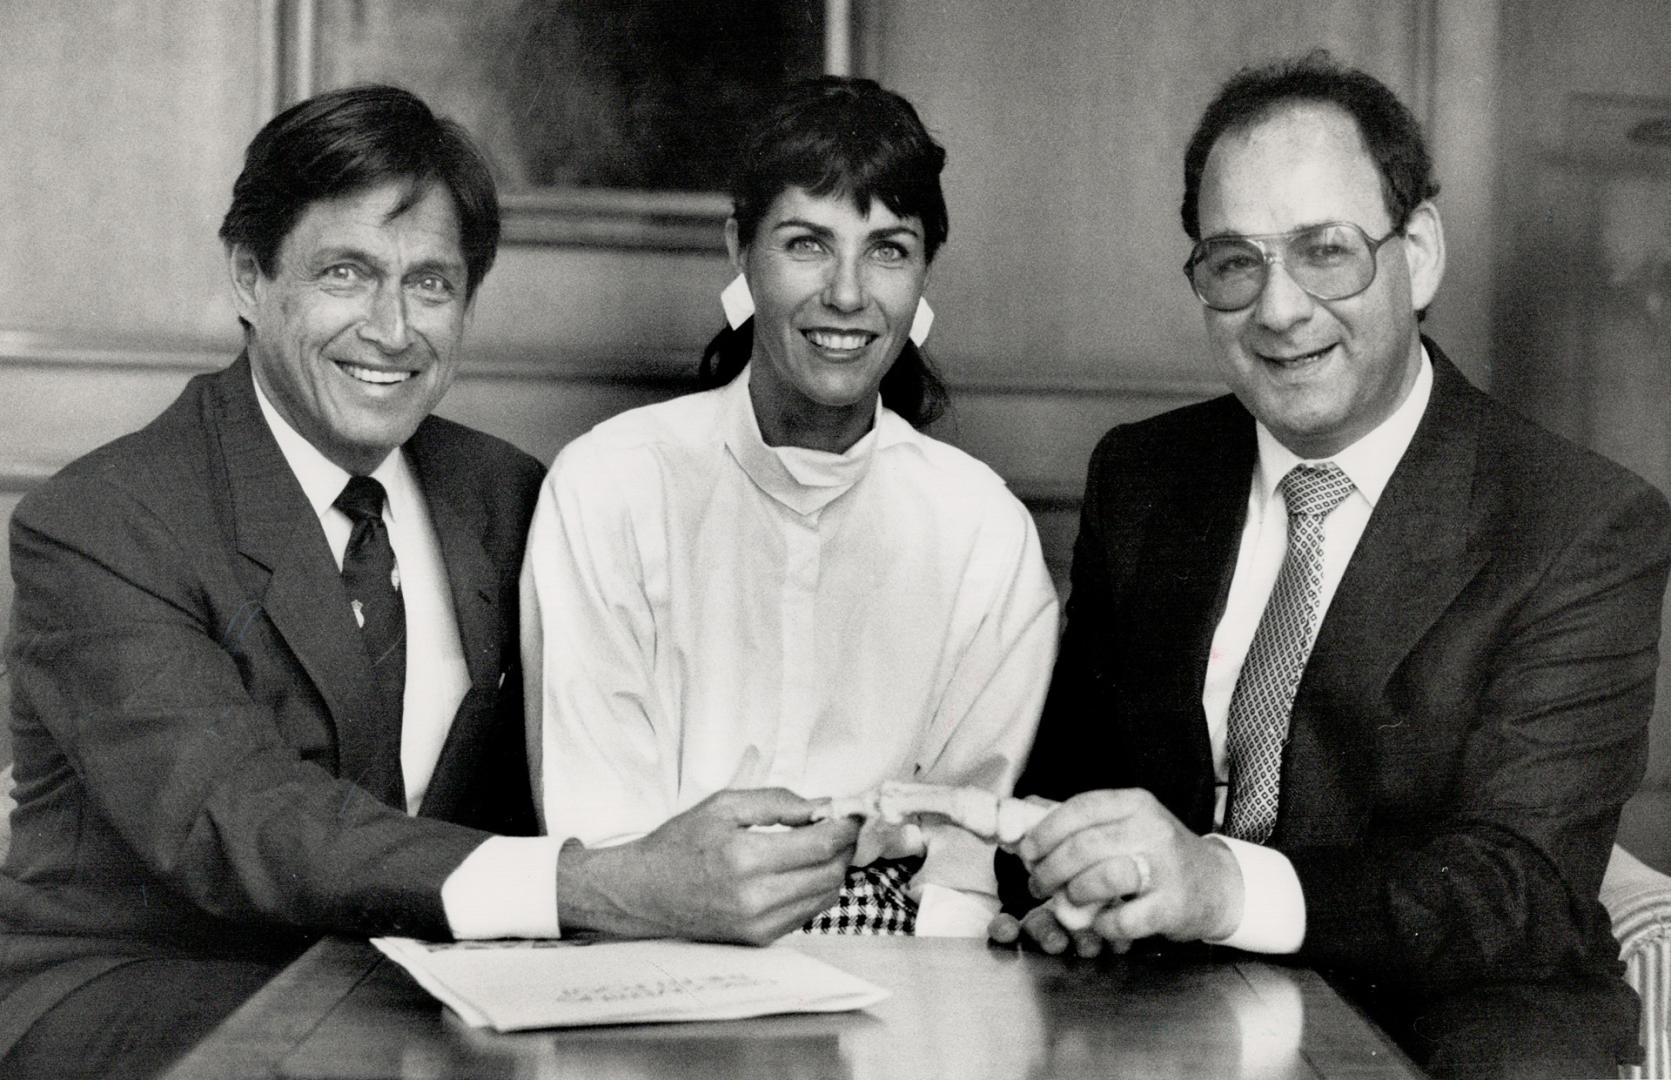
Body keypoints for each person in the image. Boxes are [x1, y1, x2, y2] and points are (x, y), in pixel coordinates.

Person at [0, 85, 858, 1080]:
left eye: (432, 285)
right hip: (138, 994)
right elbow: (242, 819)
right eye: (346, 274)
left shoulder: (507, 496)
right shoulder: (103, 522)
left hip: (432, 988)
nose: (393, 328)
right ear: (248, 277)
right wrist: (592, 887)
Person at [992, 53, 1671, 1080]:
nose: (1279, 310)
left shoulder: (1579, 524)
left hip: (1454, 1023)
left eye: (1326, 253)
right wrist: (1071, 880)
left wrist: (1225, 886)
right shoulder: (1144, 476)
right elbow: (1068, 783)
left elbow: (1515, 888)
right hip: (1157, 1002)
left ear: (1422, 254)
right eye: (1234, 263)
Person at [522, 76, 1058, 938]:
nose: (847, 295)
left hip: (902, 967)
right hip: (649, 937)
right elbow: (604, 846)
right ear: (740, 248)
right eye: (807, 243)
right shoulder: (610, 487)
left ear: (924, 274)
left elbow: (959, 876)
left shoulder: (980, 532)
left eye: (887, 250)